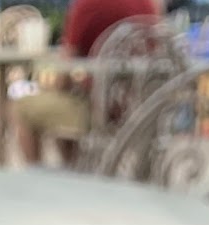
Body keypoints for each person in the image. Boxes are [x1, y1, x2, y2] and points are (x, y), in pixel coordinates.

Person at [12, 0, 160, 164]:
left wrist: (57, 87)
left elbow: (66, 67)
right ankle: (74, 169)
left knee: (23, 107)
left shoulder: (86, 5)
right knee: (67, 105)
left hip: (99, 112)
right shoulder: (147, 5)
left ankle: (38, 174)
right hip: (143, 110)